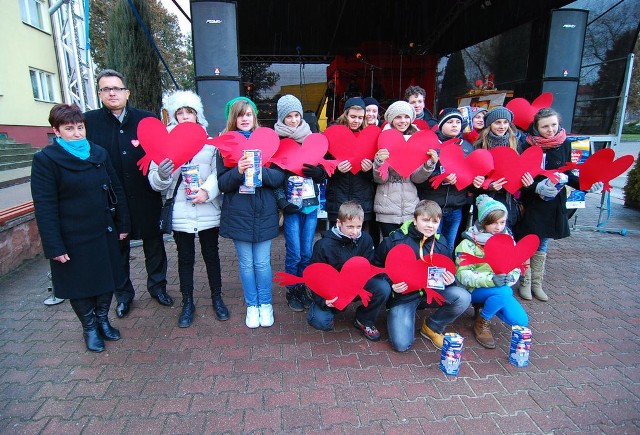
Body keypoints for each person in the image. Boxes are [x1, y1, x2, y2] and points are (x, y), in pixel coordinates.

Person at [31, 104, 130, 352]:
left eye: (80, 127)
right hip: (72, 235)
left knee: (107, 279)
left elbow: (116, 190)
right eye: (69, 128)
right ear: (56, 131)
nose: (77, 133)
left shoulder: (98, 153)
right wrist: (54, 245)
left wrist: (123, 223)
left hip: (102, 229)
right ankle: (89, 328)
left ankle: (102, 321)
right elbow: (45, 206)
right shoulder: (46, 160)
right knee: (80, 284)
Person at [84, 69, 172, 319]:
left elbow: (160, 153)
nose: (112, 93)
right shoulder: (89, 122)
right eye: (106, 89)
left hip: (145, 195)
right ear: (100, 93)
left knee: (154, 246)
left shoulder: (147, 120)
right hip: (111, 200)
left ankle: (158, 288)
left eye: (117, 88)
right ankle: (123, 296)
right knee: (117, 250)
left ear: (127, 92)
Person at [148, 90, 228, 327]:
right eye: (179, 112)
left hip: (207, 208)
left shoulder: (210, 144)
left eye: (189, 112)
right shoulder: (163, 143)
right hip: (181, 211)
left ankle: (217, 297)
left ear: (197, 115)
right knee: (185, 258)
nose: (184, 116)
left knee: (211, 256)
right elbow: (155, 181)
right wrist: (162, 175)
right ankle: (187, 301)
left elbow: (218, 173)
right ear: (174, 116)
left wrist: (208, 191)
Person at [514, 108, 603, 302]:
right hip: (533, 201)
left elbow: (570, 174)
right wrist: (536, 187)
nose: (550, 130)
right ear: (536, 127)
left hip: (554, 202)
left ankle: (537, 283)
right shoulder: (526, 145)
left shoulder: (565, 145)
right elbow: (521, 177)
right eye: (545, 126)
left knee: (544, 242)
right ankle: (525, 282)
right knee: (527, 240)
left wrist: (588, 185)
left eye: (553, 125)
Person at [217, 97, 285, 328]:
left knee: (263, 263)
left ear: (255, 116)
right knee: (246, 264)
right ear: (233, 118)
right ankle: (252, 305)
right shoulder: (225, 143)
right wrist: (238, 170)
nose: (244, 119)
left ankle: (266, 304)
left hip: (264, 211)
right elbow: (222, 184)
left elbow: (278, 178)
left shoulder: (269, 141)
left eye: (248, 114)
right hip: (239, 213)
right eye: (240, 115)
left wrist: (259, 170)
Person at [373, 200, 471, 352]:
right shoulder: (394, 240)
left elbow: (447, 269)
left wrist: (450, 280)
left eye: (435, 222)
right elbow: (376, 267)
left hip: (431, 292)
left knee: (463, 297)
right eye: (425, 220)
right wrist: (391, 284)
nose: (430, 226)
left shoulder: (441, 243)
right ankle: (399, 316)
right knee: (401, 344)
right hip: (404, 296)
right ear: (415, 220)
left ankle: (432, 326)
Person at [306, 201, 391, 341]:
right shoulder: (323, 245)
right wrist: (323, 300)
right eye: (350, 227)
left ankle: (364, 319)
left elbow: (368, 267)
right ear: (339, 223)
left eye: (359, 226)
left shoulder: (366, 239)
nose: (355, 231)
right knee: (321, 323)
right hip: (331, 290)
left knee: (382, 287)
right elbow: (315, 277)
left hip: (356, 286)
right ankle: (318, 308)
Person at [273, 94, 326, 312]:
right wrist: (282, 202)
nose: (294, 120)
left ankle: (303, 287)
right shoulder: (277, 143)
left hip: (311, 205)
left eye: (296, 115)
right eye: (289, 117)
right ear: (281, 118)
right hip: (292, 207)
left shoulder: (312, 138)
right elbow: (274, 178)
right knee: (294, 253)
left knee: (306, 252)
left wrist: (319, 173)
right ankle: (292, 290)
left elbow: (325, 170)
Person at [454, 195, 528, 349]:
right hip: (474, 289)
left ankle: (487, 307)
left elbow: (516, 267)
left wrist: (510, 278)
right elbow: (462, 274)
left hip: (500, 287)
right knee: (504, 292)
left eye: (502, 222)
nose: (498, 227)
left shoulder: (508, 240)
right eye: (493, 222)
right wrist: (490, 280)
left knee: (521, 321)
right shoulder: (468, 243)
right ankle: (483, 321)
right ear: (483, 222)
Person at [417, 108, 484, 256]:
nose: (454, 125)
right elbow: (419, 178)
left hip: (456, 207)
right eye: (450, 122)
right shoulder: (431, 145)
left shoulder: (467, 147)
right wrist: (441, 177)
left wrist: (476, 182)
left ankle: (446, 274)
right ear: (441, 125)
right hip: (433, 206)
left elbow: (470, 177)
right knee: (431, 245)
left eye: (458, 122)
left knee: (449, 245)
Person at [373, 101, 438, 237]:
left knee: (408, 248)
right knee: (389, 247)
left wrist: (429, 165)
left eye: (406, 117)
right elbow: (380, 179)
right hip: (387, 209)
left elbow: (416, 178)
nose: (403, 121)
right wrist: (379, 162)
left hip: (410, 208)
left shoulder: (418, 140)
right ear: (391, 119)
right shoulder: (382, 139)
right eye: (398, 117)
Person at [324, 97, 378, 243]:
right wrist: (335, 168)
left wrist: (369, 170)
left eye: (360, 117)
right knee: (336, 240)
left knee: (360, 241)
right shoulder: (331, 134)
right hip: (338, 198)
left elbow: (378, 173)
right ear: (345, 115)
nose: (356, 121)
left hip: (363, 199)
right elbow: (322, 167)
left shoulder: (371, 137)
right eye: (353, 116)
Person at [473, 107, 532, 228]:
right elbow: (473, 178)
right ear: (489, 124)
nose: (502, 126)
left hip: (509, 200)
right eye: (497, 122)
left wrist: (526, 183)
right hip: (486, 201)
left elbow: (521, 173)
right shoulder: (479, 146)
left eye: (505, 122)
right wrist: (488, 186)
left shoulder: (517, 144)